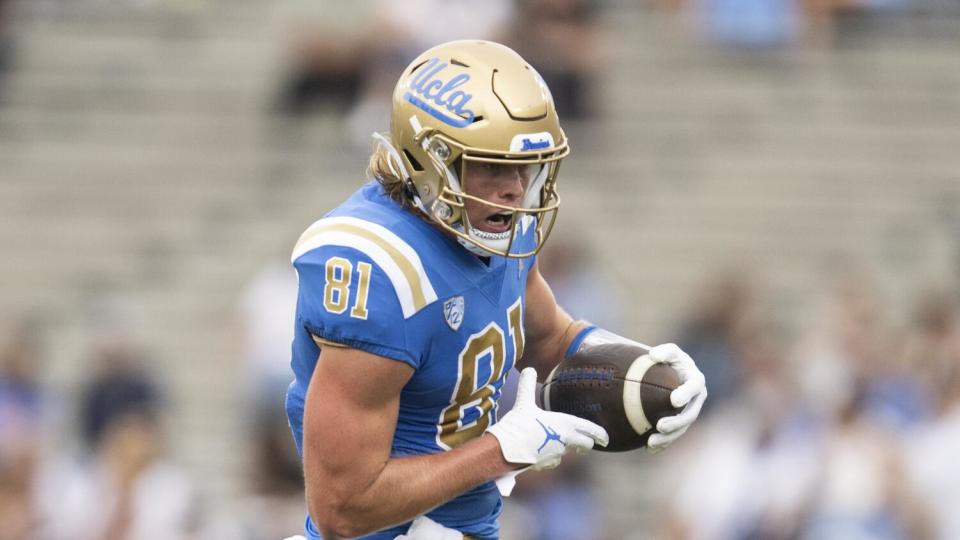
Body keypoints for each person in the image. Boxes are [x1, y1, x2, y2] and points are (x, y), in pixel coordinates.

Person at [284, 39, 707, 540]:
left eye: (525, 166)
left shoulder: (496, 223)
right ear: (432, 161)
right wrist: (501, 449)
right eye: (491, 166)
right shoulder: (381, 270)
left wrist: (645, 368)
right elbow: (342, 509)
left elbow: (549, 338)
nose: (515, 189)